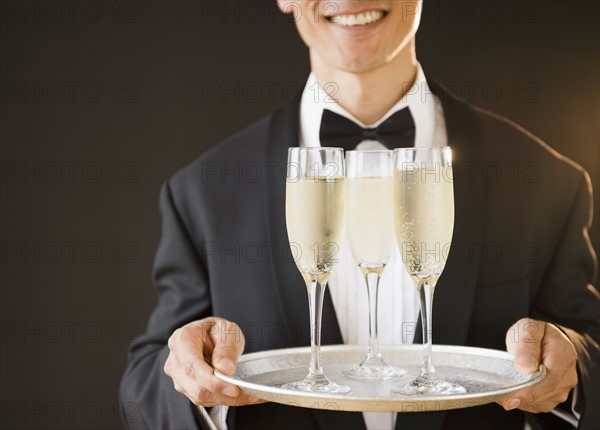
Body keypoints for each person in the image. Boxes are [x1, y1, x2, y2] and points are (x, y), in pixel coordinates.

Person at [120, 1, 599, 429]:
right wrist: (194, 379)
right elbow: (143, 385)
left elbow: (590, 350)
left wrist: (571, 365)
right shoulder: (202, 191)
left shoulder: (545, 181)